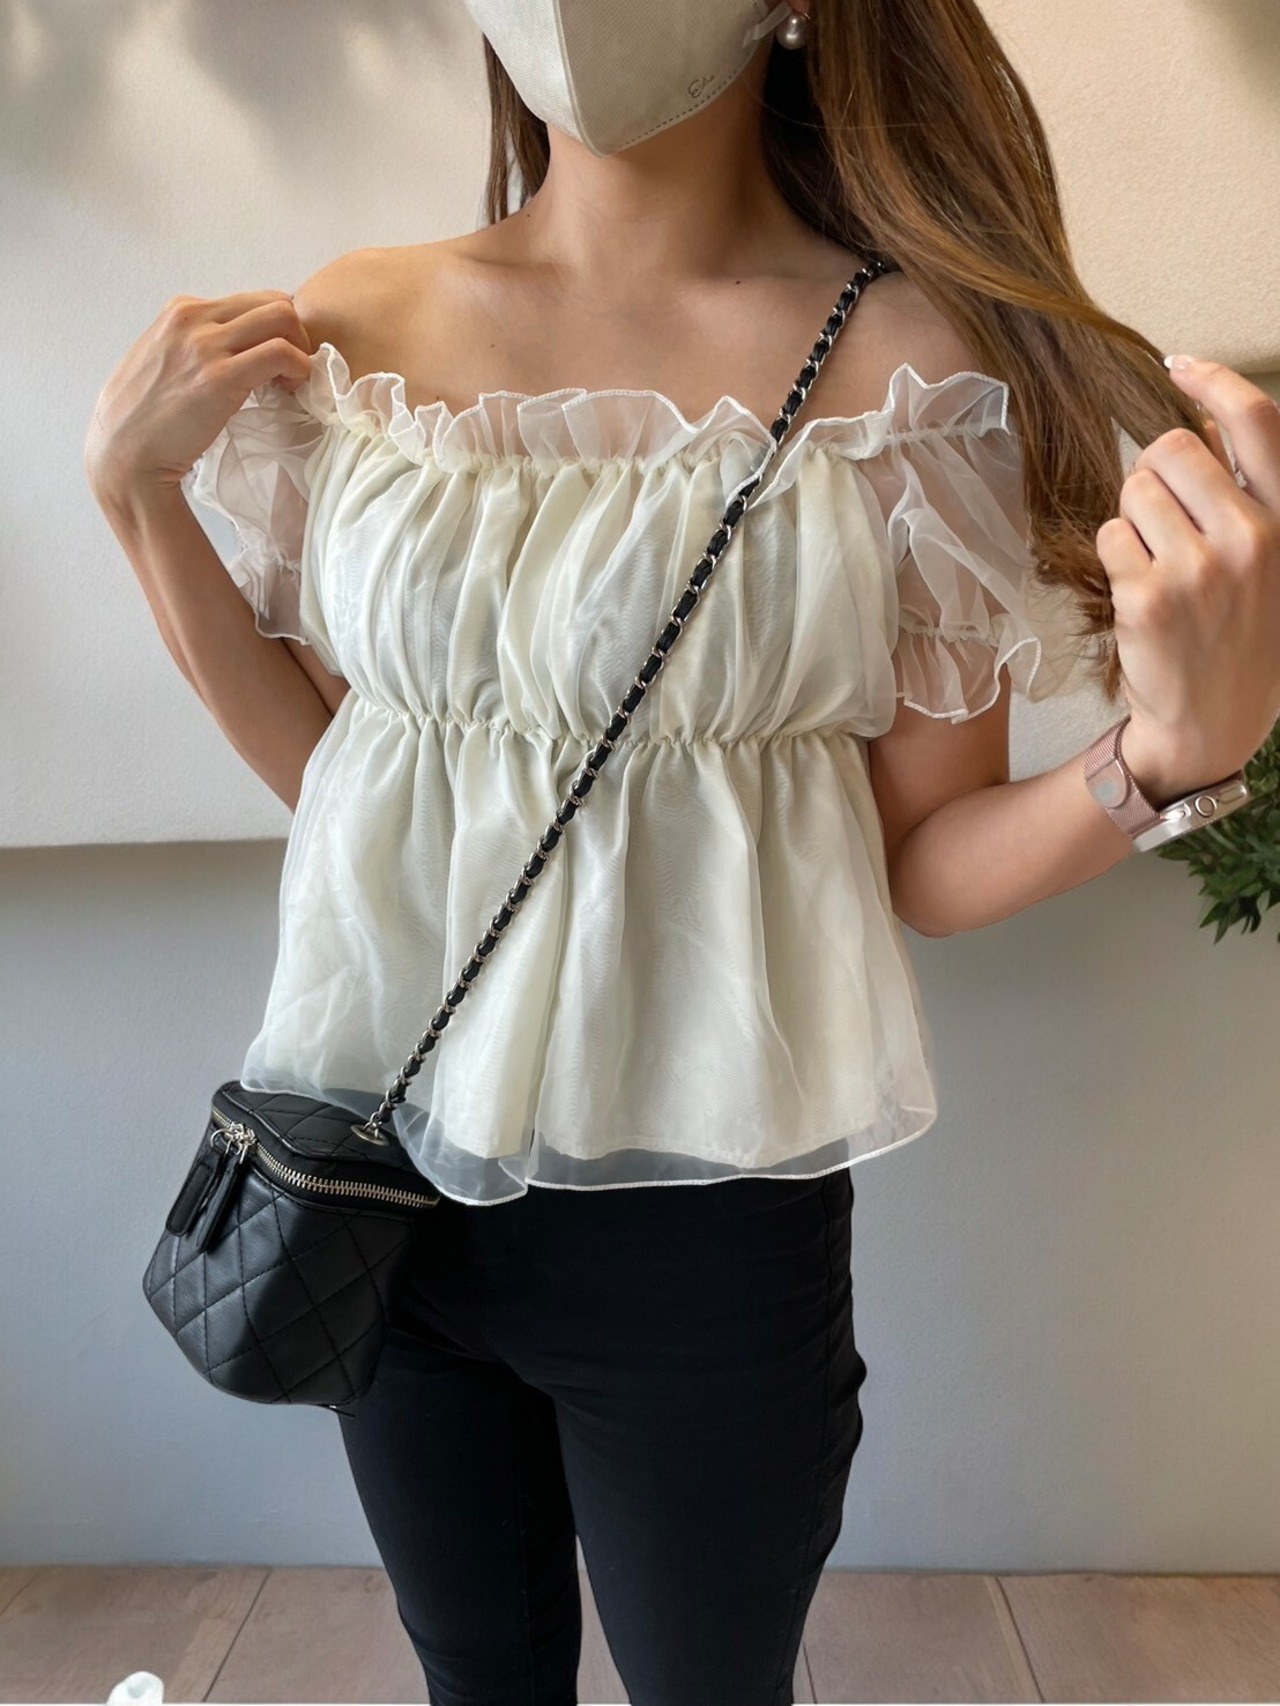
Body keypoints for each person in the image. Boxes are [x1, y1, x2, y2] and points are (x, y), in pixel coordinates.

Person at [85, 0, 1280, 1701]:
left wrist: (1166, 760)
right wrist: (139, 502)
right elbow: (345, 779)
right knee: (472, 1673)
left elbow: (921, 861)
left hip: (707, 1223)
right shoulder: (354, 329)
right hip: (377, 1170)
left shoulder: (900, 377)